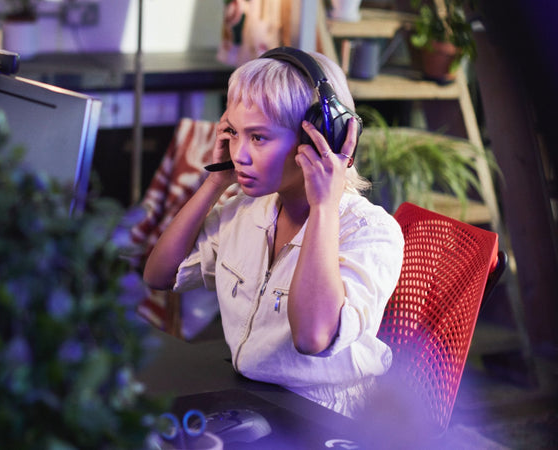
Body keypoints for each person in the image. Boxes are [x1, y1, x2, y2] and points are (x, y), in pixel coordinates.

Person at [142, 47, 404, 418]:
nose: (240, 154)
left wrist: (323, 208)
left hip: (323, 416)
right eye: (233, 133)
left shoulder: (372, 232)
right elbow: (158, 275)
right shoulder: (245, 211)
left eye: (259, 138)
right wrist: (215, 182)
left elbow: (313, 337)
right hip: (251, 400)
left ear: (318, 141)